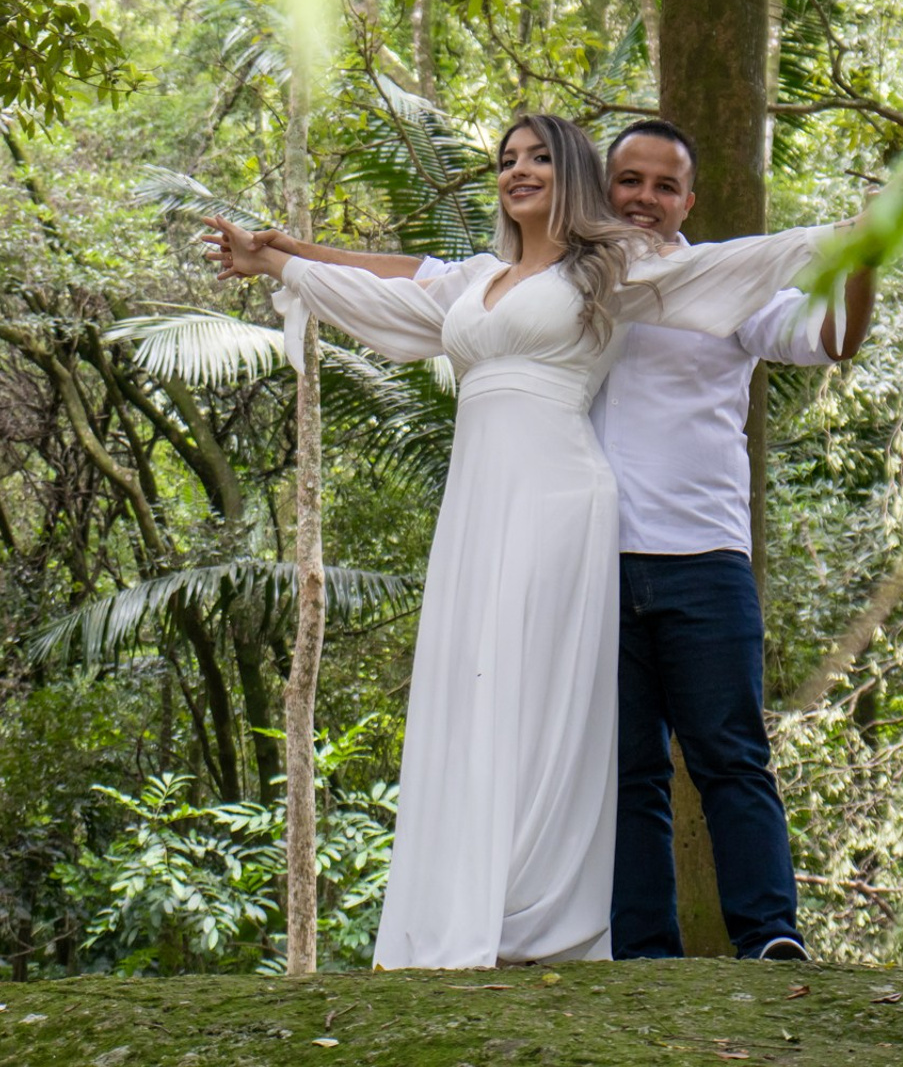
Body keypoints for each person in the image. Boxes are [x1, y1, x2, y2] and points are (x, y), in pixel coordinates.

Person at [205, 114, 851, 968]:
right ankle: (604, 937)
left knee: (705, 747)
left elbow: (765, 286)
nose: (644, 198)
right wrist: (291, 254)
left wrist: (852, 244)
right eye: (509, 159)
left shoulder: (636, 270)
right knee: (574, 739)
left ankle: (754, 935)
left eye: (540, 157)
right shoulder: (512, 274)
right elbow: (408, 283)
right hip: (517, 517)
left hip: (636, 527)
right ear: (602, 184)